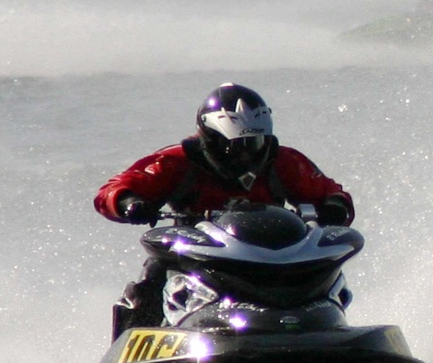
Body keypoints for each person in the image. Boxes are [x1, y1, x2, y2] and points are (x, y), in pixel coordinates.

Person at [94, 82, 355, 333]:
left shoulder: (285, 161)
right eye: (234, 146)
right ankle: (132, 355)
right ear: (210, 138)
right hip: (196, 256)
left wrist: (334, 207)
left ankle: (325, 331)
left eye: (253, 144)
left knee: (324, 276)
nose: (245, 155)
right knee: (152, 280)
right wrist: (129, 203)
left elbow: (329, 191)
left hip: (272, 256)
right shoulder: (174, 161)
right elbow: (116, 188)